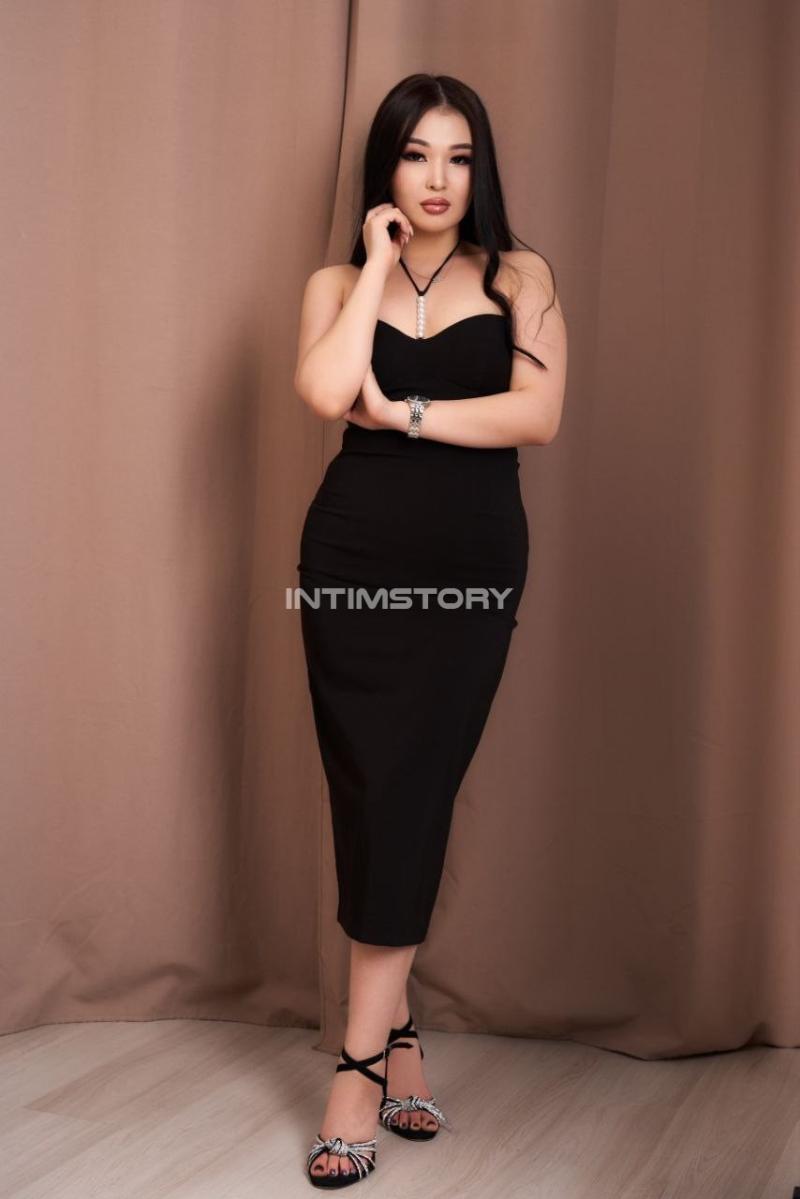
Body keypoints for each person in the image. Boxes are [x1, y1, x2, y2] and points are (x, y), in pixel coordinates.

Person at [293, 73, 567, 1187]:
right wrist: (371, 263)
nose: (439, 179)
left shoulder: (518, 275)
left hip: (468, 567)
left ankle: (357, 1067)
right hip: (349, 561)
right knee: (368, 789)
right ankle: (399, 1038)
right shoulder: (334, 281)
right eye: (416, 155)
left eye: (458, 156)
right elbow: (326, 393)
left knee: (412, 787)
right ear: (387, 168)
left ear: (480, 166)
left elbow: (537, 414)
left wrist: (404, 412)